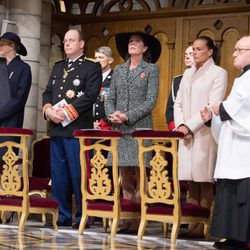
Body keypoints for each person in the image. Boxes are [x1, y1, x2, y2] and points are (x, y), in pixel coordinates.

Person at [42, 29, 102, 229]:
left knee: (78, 174)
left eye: (71, 40)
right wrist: (49, 111)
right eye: (65, 40)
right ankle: (62, 215)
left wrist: (66, 113)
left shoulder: (91, 67)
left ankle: (83, 216)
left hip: (76, 130)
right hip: (57, 129)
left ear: (82, 44)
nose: (66, 43)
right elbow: (48, 92)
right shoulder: (58, 67)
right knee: (59, 176)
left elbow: (91, 94)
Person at [105, 31, 161, 233]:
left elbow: (150, 101)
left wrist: (127, 115)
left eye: (137, 41)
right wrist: (112, 114)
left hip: (139, 128)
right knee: (124, 174)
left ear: (145, 48)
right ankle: (127, 219)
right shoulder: (119, 70)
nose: (132, 44)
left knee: (141, 173)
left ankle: (140, 219)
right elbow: (110, 97)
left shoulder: (151, 69)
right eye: (130, 41)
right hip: (119, 129)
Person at [174, 36, 228, 238]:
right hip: (185, 133)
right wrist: (181, 125)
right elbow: (177, 103)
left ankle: (204, 225)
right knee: (190, 180)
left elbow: (212, 104)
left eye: (198, 49)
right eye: (193, 49)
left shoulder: (218, 73)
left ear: (210, 51)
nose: (194, 52)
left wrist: (189, 126)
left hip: (204, 132)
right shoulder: (187, 73)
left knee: (204, 179)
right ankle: (191, 224)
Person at [201, 36, 250, 250]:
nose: (234, 53)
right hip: (233, 148)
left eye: (240, 49)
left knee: (241, 193)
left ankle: (240, 239)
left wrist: (220, 108)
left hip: (244, 151)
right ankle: (231, 236)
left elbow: (241, 109)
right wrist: (213, 116)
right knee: (229, 191)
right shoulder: (242, 78)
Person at [165, 45, 194, 131]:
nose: (187, 57)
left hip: (197, 130)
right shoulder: (177, 81)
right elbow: (170, 109)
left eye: (191, 54)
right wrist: (174, 129)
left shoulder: (205, 79)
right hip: (179, 129)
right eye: (185, 55)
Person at [93, 46, 114, 130]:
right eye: (96, 57)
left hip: (108, 125)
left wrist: (103, 122)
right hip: (90, 125)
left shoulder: (115, 78)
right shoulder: (91, 78)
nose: (97, 60)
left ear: (110, 60)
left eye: (100, 57)